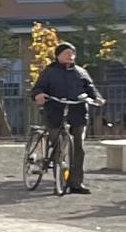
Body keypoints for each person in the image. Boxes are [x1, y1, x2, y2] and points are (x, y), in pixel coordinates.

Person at [32, 41, 102, 193]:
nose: (70, 56)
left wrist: (96, 98)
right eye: (66, 53)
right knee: (58, 147)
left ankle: (76, 183)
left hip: (78, 112)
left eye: (72, 53)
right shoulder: (48, 72)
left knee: (79, 148)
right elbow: (38, 88)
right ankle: (59, 180)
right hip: (55, 111)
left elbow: (91, 88)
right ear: (58, 55)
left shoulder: (81, 72)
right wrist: (39, 94)